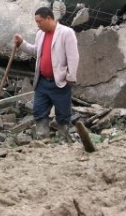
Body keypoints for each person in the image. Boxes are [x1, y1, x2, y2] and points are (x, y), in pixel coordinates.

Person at [13, 7, 79, 141]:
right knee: (39, 110)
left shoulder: (66, 33)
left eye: (40, 21)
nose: (38, 25)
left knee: (63, 113)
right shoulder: (40, 34)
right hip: (42, 81)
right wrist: (22, 44)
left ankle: (63, 138)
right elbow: (36, 51)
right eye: (36, 22)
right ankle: (42, 138)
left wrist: (71, 76)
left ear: (49, 18)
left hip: (59, 81)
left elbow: (73, 56)